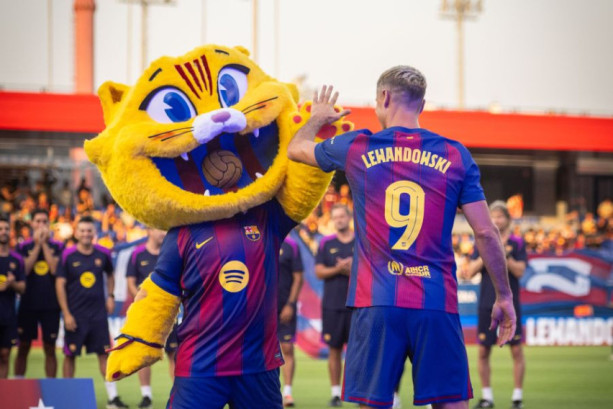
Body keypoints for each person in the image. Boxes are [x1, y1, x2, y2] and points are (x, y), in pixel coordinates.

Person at [287, 69, 516, 409]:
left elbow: (295, 149)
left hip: (376, 302)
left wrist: (317, 119)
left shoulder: (358, 146)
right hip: (435, 301)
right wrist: (504, 295)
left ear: (384, 98)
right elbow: (486, 232)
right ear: (421, 104)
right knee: (451, 402)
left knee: (373, 403)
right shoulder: (455, 154)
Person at [56, 216, 128, 409]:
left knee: (104, 355)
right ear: (76, 233)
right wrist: (66, 313)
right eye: (82, 230)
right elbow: (60, 284)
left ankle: (113, 398)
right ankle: (67, 398)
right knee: (69, 356)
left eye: (89, 230)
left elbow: (110, 275)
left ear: (94, 232)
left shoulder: (103, 254)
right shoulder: (68, 255)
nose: (86, 234)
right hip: (75, 315)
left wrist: (110, 296)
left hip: (98, 315)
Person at [464, 201, 527, 409]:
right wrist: (488, 249)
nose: (497, 220)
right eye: (494, 216)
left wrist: (503, 254)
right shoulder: (481, 240)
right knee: (483, 351)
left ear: (508, 219)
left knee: (516, 350)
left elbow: (520, 271)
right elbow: (469, 271)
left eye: (500, 216)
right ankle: (487, 397)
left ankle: (517, 397)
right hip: (486, 303)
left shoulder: (517, 242)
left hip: (510, 303)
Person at [126, 228, 174, 409]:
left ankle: (176, 393)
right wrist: (142, 302)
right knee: (145, 354)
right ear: (149, 230)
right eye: (159, 229)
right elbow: (131, 282)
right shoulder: (137, 254)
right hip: (146, 314)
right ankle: (146, 396)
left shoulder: (171, 251)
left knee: (174, 354)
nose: (162, 233)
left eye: (164, 230)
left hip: (169, 313)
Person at [14, 208, 63, 378]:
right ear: (32, 223)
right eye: (38, 221)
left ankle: (51, 386)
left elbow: (55, 269)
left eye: (44, 221)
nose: (41, 225)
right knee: (23, 346)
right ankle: (18, 384)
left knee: (50, 347)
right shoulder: (22, 247)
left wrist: (44, 245)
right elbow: (25, 270)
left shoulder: (58, 246)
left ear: (49, 224)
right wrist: (37, 245)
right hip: (28, 304)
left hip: (51, 305)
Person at [315, 204, 354, 407]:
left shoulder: (361, 240)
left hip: (357, 305)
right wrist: (339, 269)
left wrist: (353, 268)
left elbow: (370, 269)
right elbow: (319, 272)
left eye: (342, 216)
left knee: (357, 351)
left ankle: (356, 392)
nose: (339, 220)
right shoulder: (326, 242)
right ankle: (336, 393)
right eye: (335, 217)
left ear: (349, 217)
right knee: (334, 349)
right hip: (332, 305)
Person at [277, 235, 304, 407]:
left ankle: (287, 392)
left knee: (287, 348)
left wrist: (290, 304)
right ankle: (268, 390)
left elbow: (298, 278)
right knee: (261, 349)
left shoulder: (292, 245)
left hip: (285, 306)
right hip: (262, 308)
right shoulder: (260, 239)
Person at [0, 216, 26, 378]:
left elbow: (22, 288)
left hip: (8, 315)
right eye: (0, 229)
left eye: (6, 229)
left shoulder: (16, 259)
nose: (3, 232)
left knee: (5, 355)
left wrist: (11, 283)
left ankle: (2, 391)